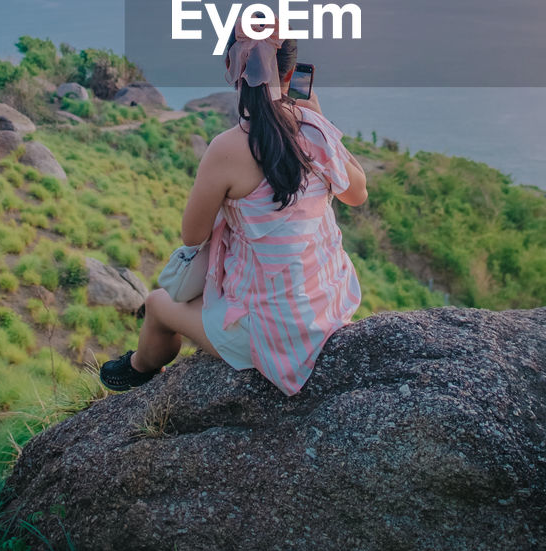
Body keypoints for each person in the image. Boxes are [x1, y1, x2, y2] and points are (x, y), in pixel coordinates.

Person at [99, 20, 367, 396]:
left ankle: (139, 369)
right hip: (330, 306)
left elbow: (192, 236)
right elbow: (358, 193)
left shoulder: (227, 148)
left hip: (275, 334)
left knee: (158, 304)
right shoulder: (314, 131)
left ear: (234, 70)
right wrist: (319, 119)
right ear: (290, 73)